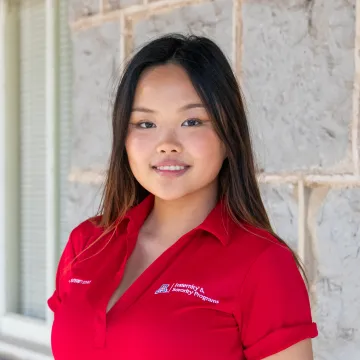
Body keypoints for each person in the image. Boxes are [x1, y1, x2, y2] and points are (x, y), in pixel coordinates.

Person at [48, 34, 318, 360]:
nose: (167, 144)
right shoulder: (87, 243)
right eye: (145, 123)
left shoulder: (263, 264)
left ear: (228, 134)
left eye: (192, 121)